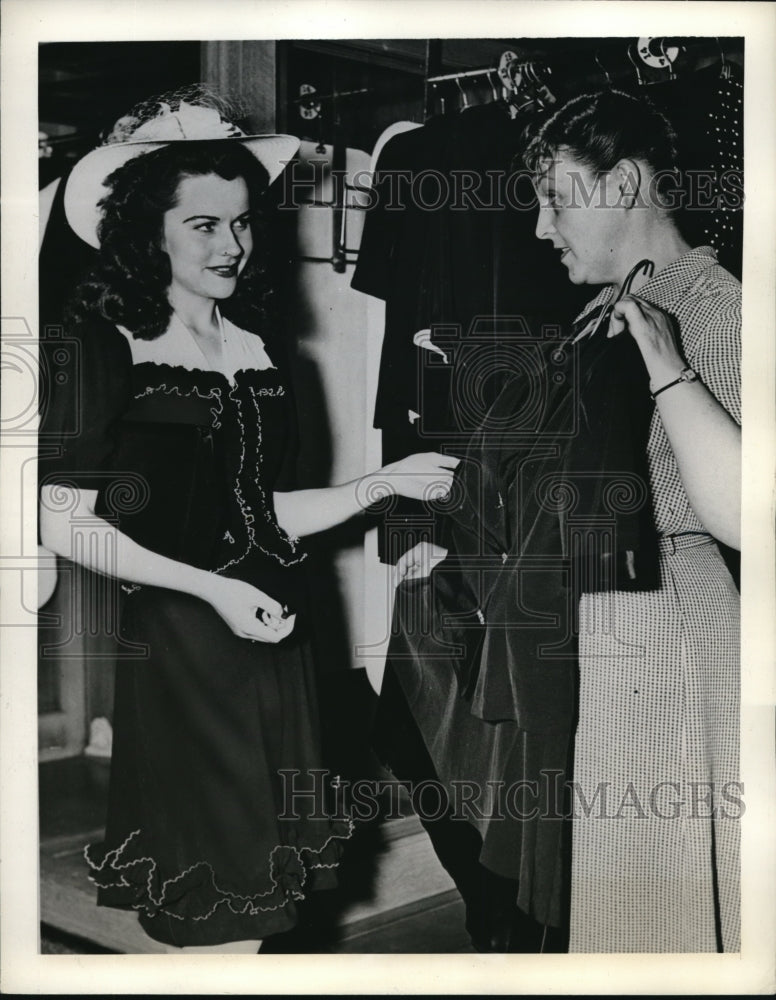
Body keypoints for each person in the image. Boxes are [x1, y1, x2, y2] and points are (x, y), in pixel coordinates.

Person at [38, 88, 458, 954]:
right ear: (146, 228)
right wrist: (212, 592)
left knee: (273, 894)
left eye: (241, 223)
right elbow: (58, 518)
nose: (231, 245)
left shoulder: (262, 346)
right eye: (203, 225)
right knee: (222, 892)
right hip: (186, 637)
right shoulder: (101, 344)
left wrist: (377, 486)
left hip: (279, 629)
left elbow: (259, 510)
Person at [374, 88, 740, 954]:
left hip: (666, 630)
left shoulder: (723, 309)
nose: (542, 229)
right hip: (593, 625)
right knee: (603, 903)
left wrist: (667, 369)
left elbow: (742, 512)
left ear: (624, 185)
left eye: (557, 198)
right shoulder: (596, 312)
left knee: (658, 908)